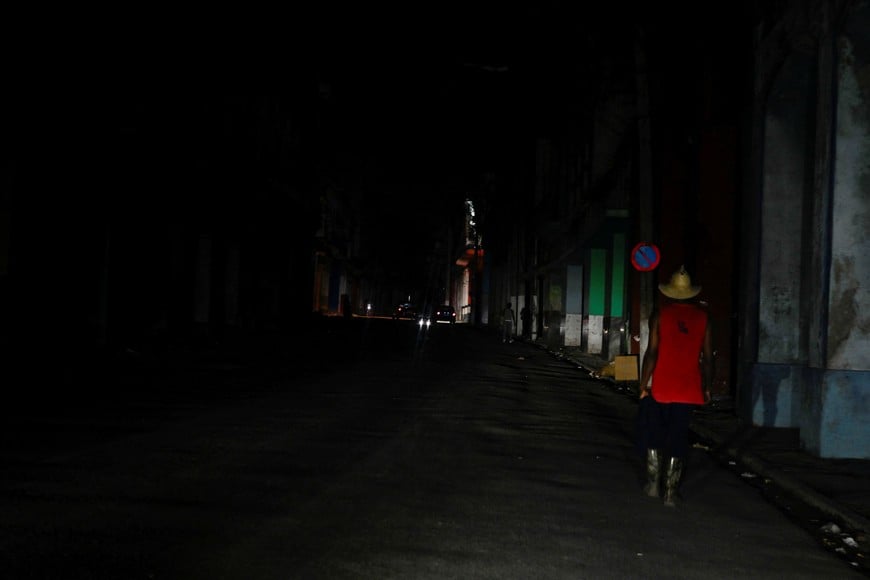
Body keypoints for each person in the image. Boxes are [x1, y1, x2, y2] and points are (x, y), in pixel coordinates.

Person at [638, 265, 713, 507]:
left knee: (655, 433)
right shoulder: (703, 318)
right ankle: (670, 493)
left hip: (661, 386)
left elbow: (651, 353)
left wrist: (643, 384)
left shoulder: (660, 315)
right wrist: (707, 387)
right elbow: (708, 358)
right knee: (678, 436)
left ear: (670, 292)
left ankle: (653, 484)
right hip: (688, 388)